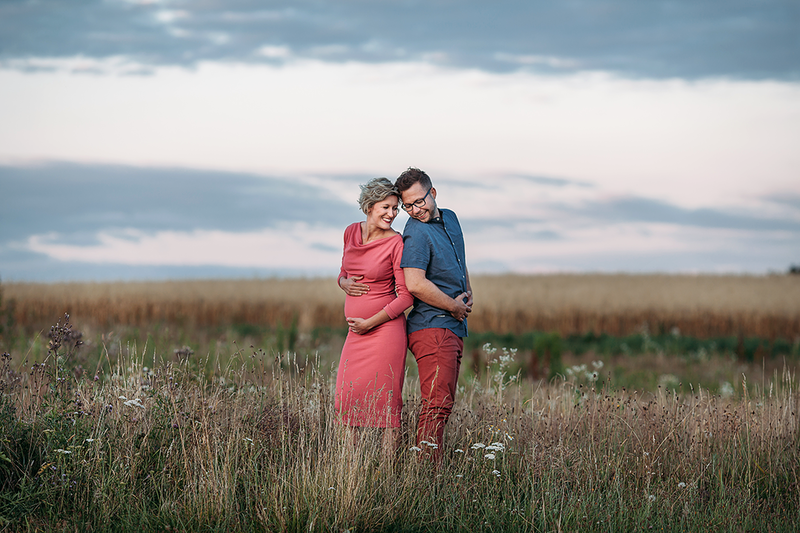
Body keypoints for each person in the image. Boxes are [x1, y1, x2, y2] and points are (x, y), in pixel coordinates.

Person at [395, 167, 472, 462]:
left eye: (420, 201)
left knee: (443, 403)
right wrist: (453, 306)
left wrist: (467, 288)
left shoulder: (450, 218)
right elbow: (415, 283)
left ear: (433, 193)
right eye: (408, 205)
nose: (416, 210)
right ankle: (425, 473)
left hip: (452, 325)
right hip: (432, 327)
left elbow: (458, 256)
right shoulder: (415, 232)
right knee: (437, 404)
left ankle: (426, 465)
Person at [335, 177, 414, 456]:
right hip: (355, 335)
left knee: (386, 403)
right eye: (386, 207)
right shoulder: (349, 233)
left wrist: (370, 323)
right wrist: (342, 282)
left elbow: (406, 296)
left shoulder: (395, 243)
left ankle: (387, 474)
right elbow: (344, 272)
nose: (392, 214)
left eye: (395, 209)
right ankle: (351, 469)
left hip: (384, 332)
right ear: (369, 206)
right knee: (347, 398)